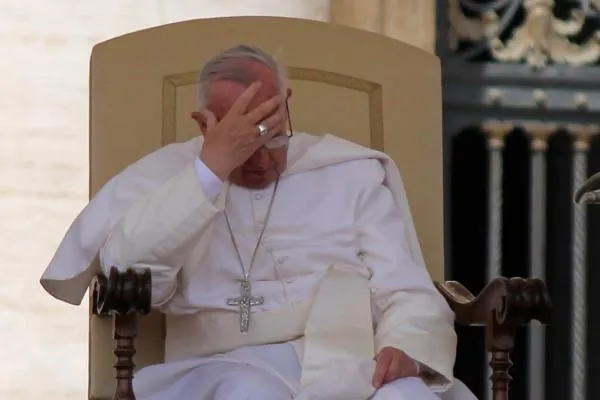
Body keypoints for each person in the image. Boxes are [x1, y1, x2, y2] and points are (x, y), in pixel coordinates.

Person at [41, 45, 477, 400]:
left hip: (347, 362)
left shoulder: (350, 173)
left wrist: (404, 346)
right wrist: (210, 171)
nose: (263, 161)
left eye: (275, 137)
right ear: (204, 124)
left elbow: (403, 287)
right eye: (245, 144)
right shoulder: (166, 177)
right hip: (220, 366)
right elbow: (130, 270)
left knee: (406, 395)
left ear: (287, 106)